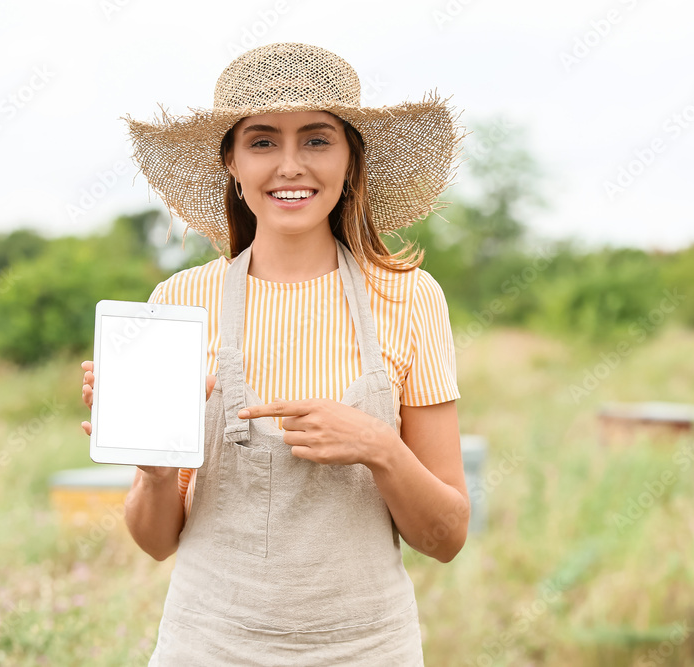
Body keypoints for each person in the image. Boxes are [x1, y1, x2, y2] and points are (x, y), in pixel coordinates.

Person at [80, 42, 468, 664]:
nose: (291, 165)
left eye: (317, 140)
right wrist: (152, 467)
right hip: (207, 646)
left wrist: (380, 448)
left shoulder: (410, 297)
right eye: (263, 142)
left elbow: (446, 538)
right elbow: (156, 541)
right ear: (231, 160)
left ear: (350, 158)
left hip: (369, 649)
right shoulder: (179, 300)